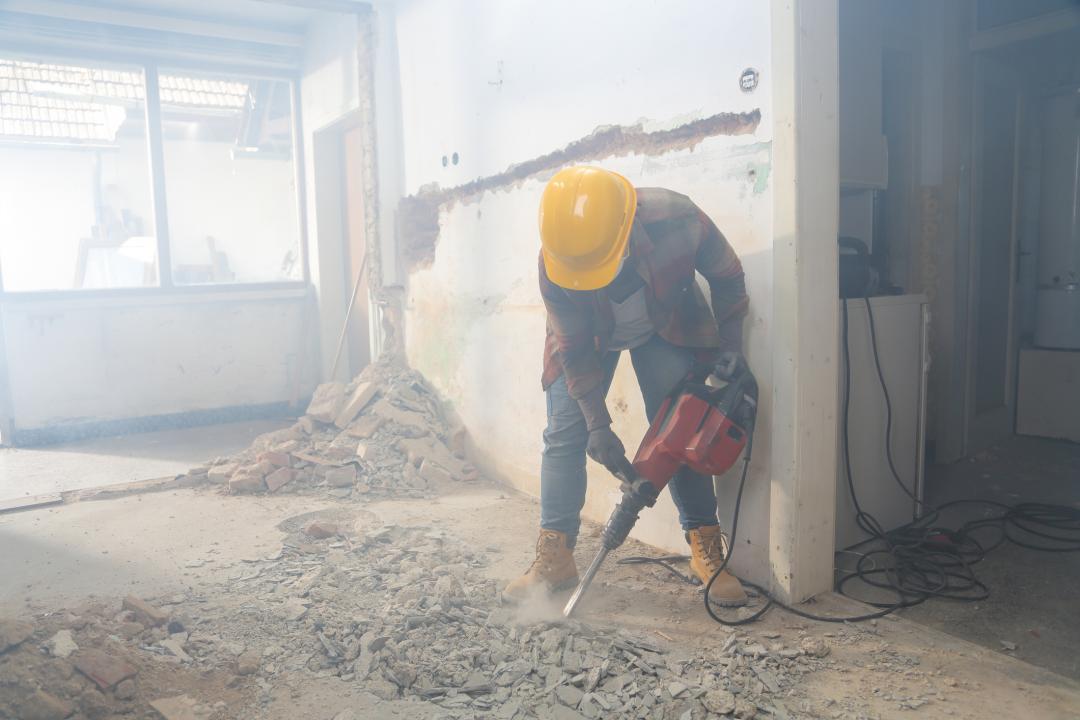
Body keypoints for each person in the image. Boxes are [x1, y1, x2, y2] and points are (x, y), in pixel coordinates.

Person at [503, 165, 750, 607]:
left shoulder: (680, 220)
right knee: (565, 433)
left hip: (668, 325)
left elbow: (729, 277)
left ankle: (705, 547)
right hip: (587, 337)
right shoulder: (556, 261)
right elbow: (574, 351)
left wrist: (732, 343)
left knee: (682, 429)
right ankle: (555, 558)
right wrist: (598, 425)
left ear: (628, 231)